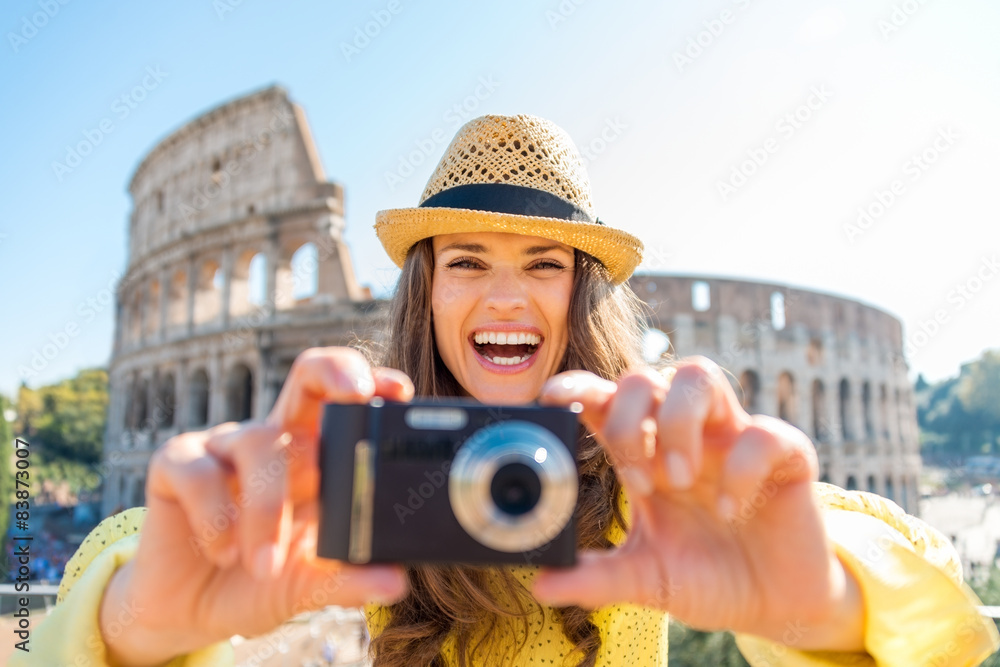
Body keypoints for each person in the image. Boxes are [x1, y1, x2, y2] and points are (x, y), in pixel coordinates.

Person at [19, 115, 998, 666]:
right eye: (464, 261)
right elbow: (129, 570)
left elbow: (920, 608)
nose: (500, 294)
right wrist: (136, 622)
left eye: (542, 261)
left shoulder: (646, 468)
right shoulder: (371, 473)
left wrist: (823, 607)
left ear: (581, 291)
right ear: (426, 288)